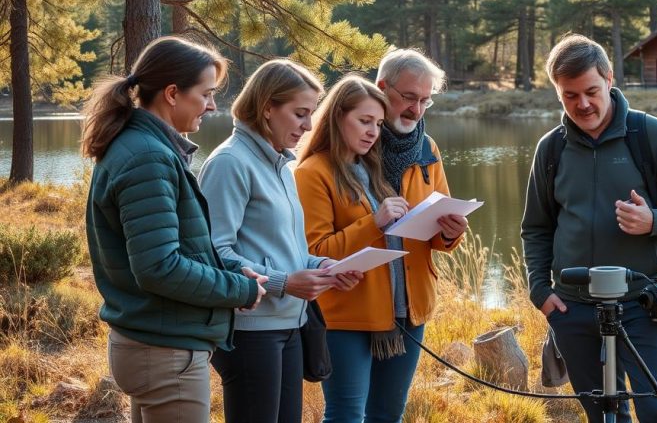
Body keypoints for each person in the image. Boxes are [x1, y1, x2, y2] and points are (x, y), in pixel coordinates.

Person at [521, 34, 657, 422]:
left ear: (609, 78)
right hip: (572, 306)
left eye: (591, 91)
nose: (583, 104)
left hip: (644, 303)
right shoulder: (551, 148)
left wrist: (655, 221)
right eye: (570, 95)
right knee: (603, 416)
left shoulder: (651, 135)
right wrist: (540, 291)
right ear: (557, 92)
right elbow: (536, 227)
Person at [80, 36, 267, 423]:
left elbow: (174, 248)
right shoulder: (148, 156)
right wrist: (240, 289)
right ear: (171, 94)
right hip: (164, 351)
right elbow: (158, 266)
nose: (213, 105)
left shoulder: (141, 146)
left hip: (151, 342)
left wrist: (230, 271)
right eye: (206, 94)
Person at [295, 63, 465, 423]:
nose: (415, 110)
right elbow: (314, 252)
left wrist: (450, 232)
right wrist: (374, 223)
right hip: (349, 311)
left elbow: (433, 223)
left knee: (388, 415)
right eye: (408, 97)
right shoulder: (320, 170)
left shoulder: (419, 150)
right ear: (384, 88)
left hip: (408, 306)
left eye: (425, 101)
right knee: (345, 415)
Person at [197, 60, 362, 423]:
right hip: (250, 332)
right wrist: (285, 283)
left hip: (289, 325)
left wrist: (324, 267)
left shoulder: (282, 166)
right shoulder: (230, 162)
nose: (308, 125)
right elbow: (213, 255)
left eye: (311, 114)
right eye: (300, 113)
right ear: (268, 107)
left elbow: (290, 251)